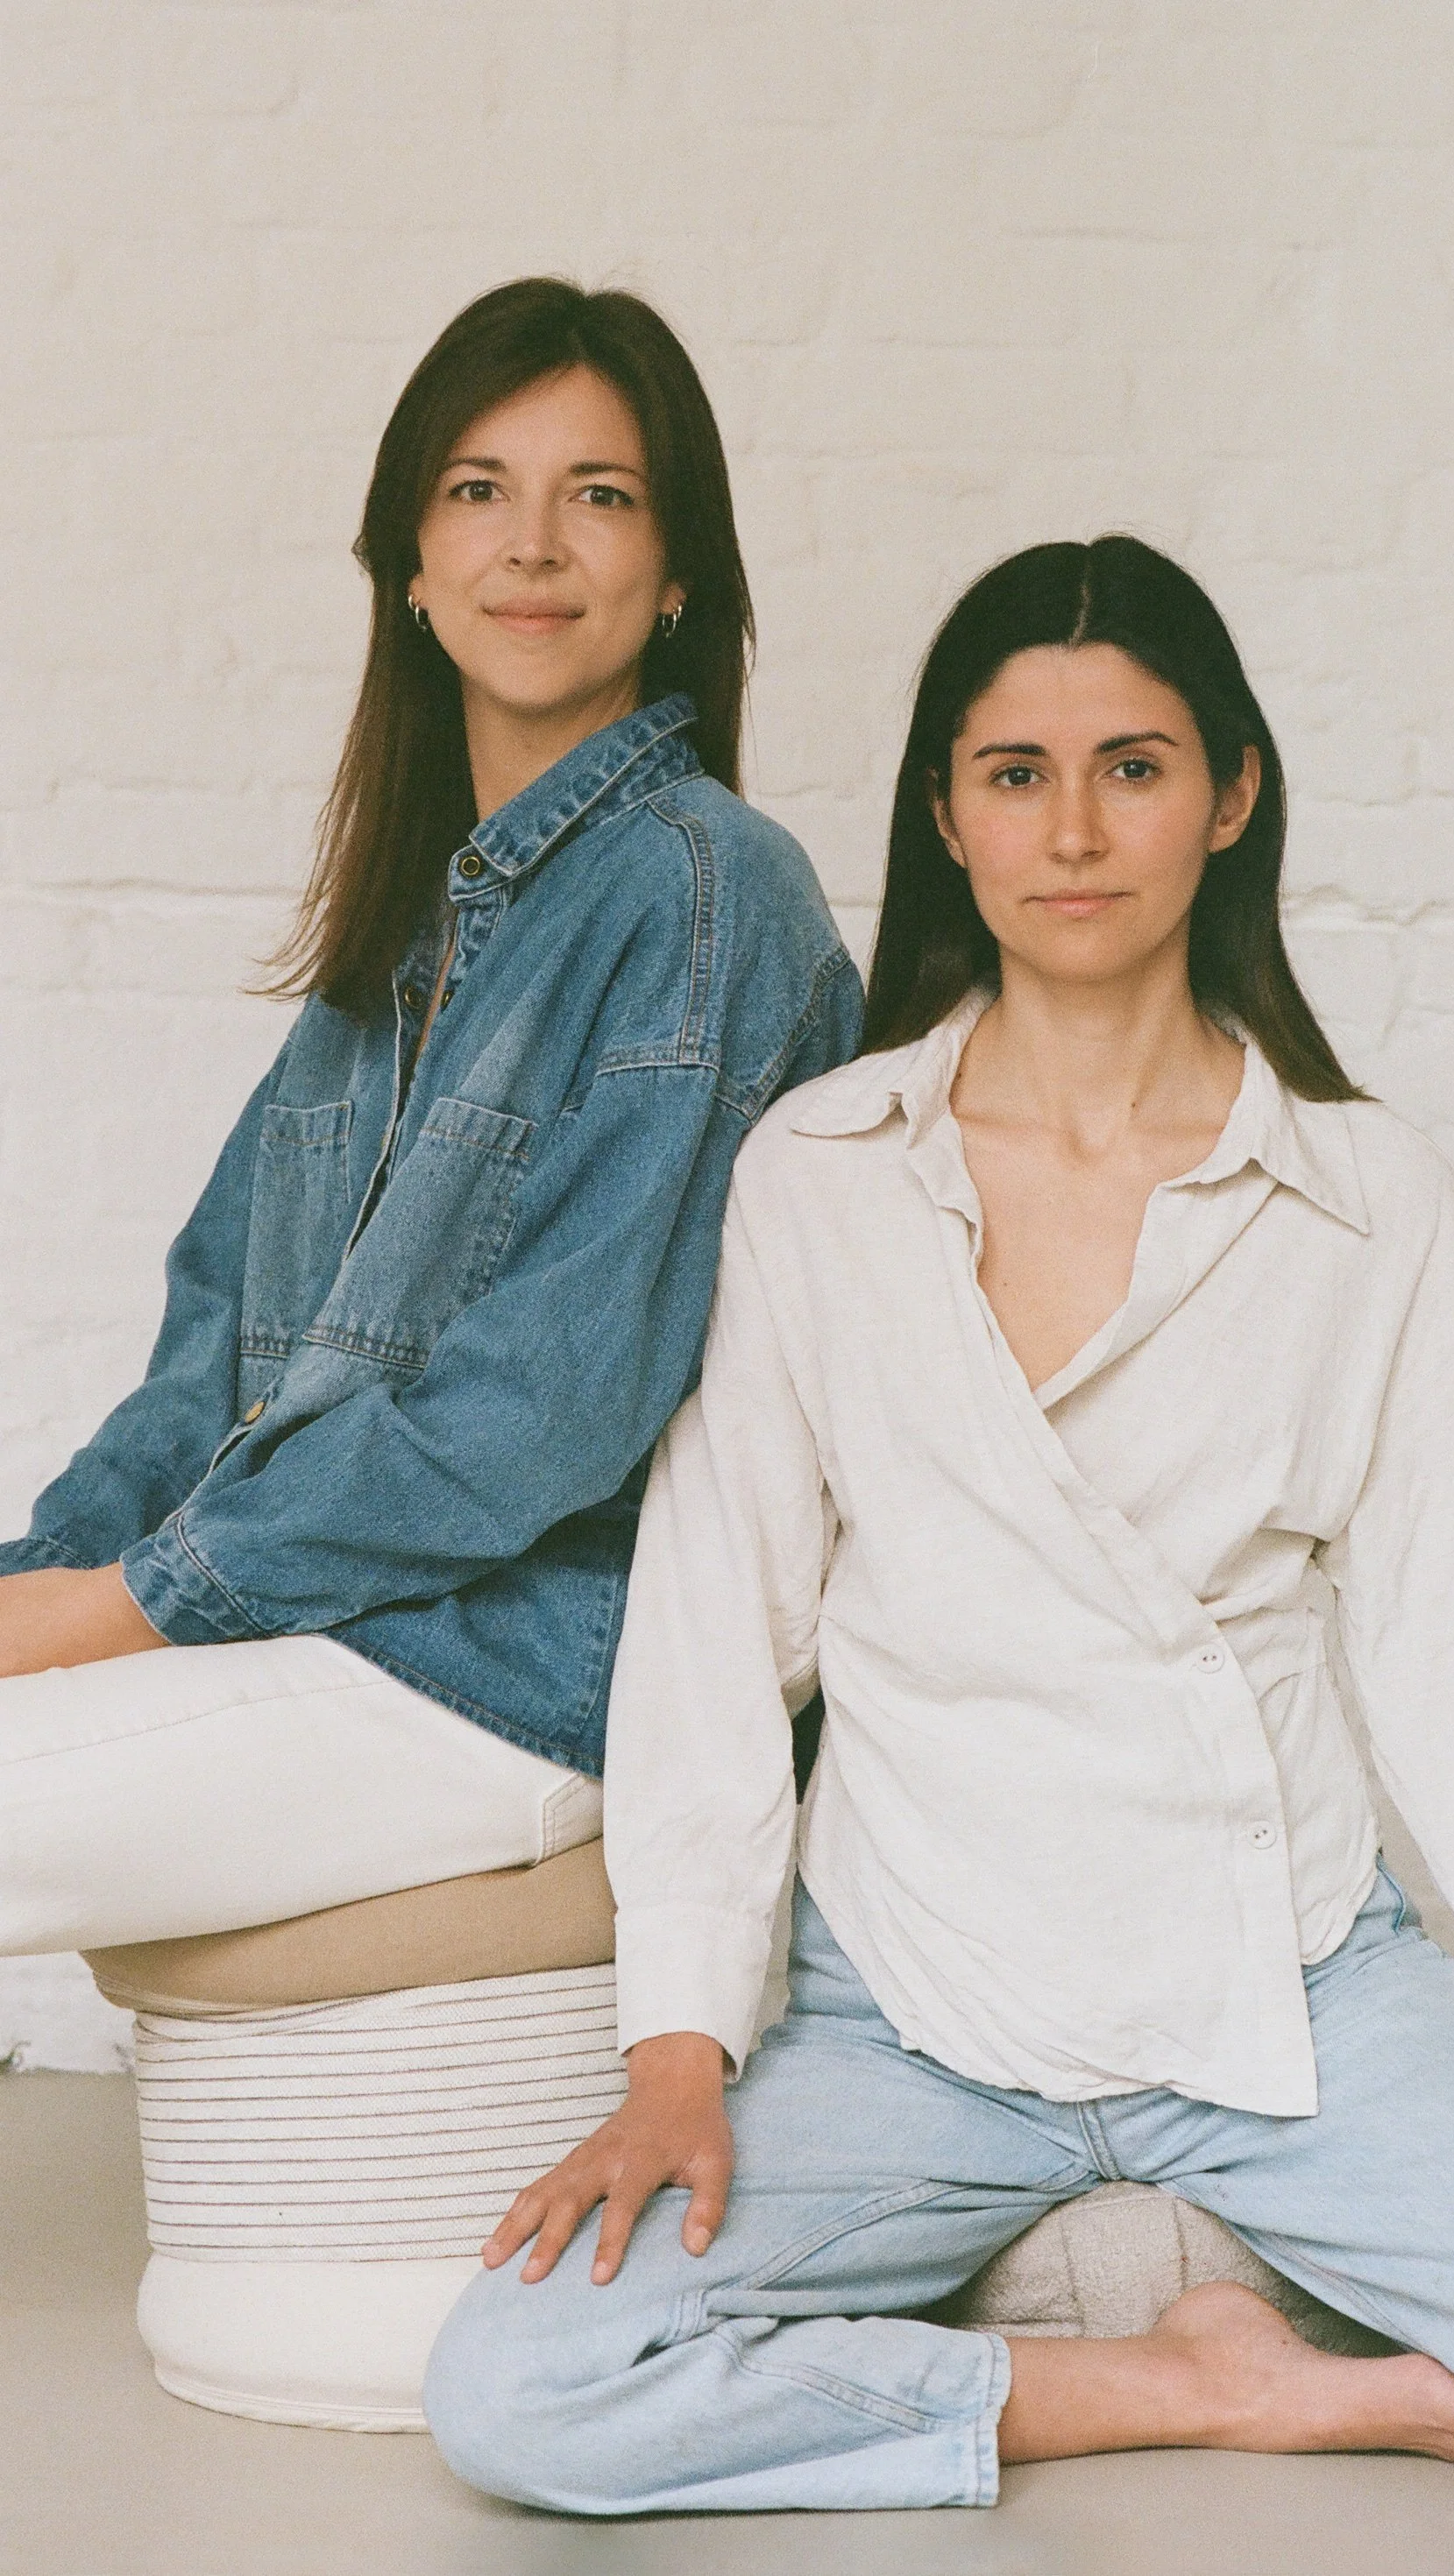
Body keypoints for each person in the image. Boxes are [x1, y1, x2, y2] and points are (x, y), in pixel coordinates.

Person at [423, 534, 1454, 2520]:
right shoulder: (822, 1175)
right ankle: (1183, 2384)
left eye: (1133, 766)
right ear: (946, 817)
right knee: (524, 2390)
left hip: (1294, 1993)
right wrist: (679, 2045)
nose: (1075, 831)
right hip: (907, 2009)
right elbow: (712, 1632)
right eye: (1015, 774)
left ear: (1232, 794)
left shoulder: (1374, 1206)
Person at [0, 278, 862, 1958]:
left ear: (678, 570)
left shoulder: (709, 894)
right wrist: (46, 1575)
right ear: (409, 563)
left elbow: (537, 1417)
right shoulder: (399, 942)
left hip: (522, 1669)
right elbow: (211, 1366)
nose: (531, 546)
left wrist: (115, 1610)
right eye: (479, 490)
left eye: (598, 495)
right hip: (331, 1627)